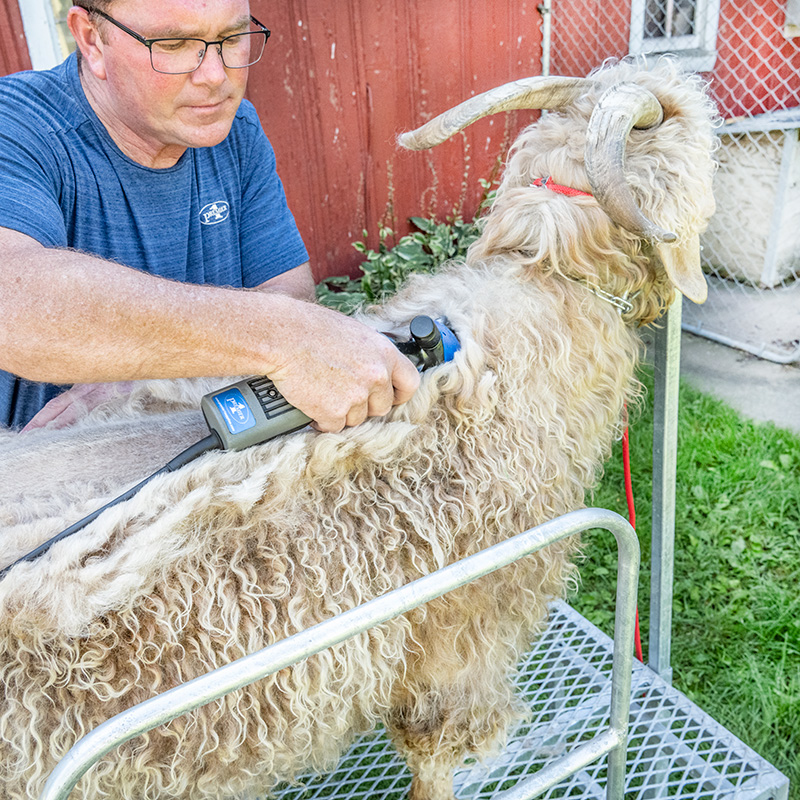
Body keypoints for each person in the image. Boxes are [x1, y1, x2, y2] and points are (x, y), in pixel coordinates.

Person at [0, 0, 419, 432]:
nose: (216, 77)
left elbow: (288, 295)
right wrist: (280, 335)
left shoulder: (235, 130)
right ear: (91, 39)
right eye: (176, 44)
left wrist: (141, 383)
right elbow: (13, 302)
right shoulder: (17, 125)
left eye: (232, 39)